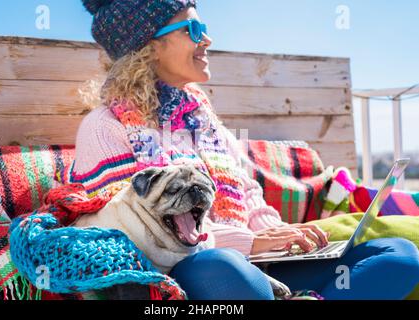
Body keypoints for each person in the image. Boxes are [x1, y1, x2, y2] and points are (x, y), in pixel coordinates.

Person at [73, 0, 419, 299]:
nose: (207, 39)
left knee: (398, 255)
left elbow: (248, 194)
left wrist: (285, 238)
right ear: (148, 46)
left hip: (259, 263)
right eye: (193, 29)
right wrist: (249, 243)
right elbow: (136, 232)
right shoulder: (105, 127)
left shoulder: (201, 116)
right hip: (191, 273)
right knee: (220, 267)